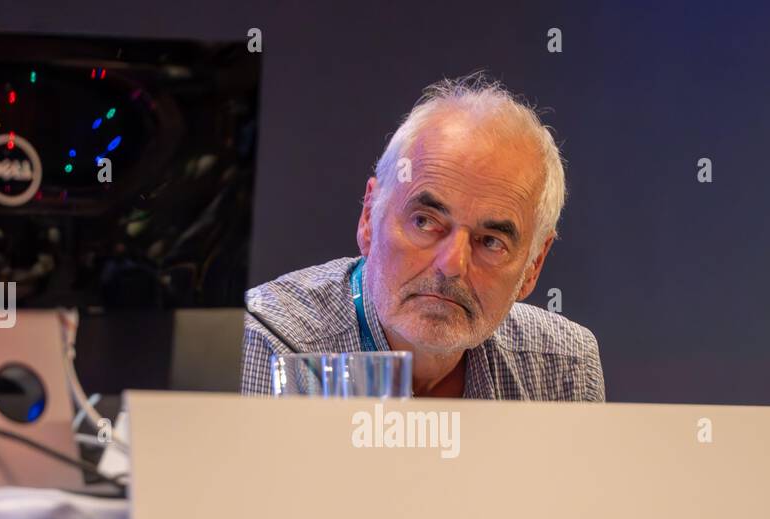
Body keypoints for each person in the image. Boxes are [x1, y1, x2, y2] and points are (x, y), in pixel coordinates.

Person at [241, 74, 604, 400]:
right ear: (369, 217)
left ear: (533, 266)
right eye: (425, 222)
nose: (451, 265)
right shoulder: (268, 346)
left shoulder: (563, 369)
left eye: (491, 241)